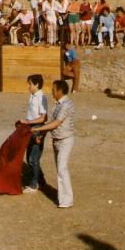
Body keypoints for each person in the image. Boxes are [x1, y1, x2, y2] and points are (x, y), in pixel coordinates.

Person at [31, 80, 75, 209]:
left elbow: (56, 123)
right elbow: (52, 122)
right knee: (60, 169)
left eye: (54, 90)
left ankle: (67, 200)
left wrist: (38, 129)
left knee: (62, 169)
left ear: (60, 91)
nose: (52, 92)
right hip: (57, 139)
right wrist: (42, 134)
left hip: (65, 140)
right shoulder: (57, 104)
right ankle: (63, 198)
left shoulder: (66, 105)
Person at [20, 74, 48, 193]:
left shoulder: (41, 97)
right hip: (31, 127)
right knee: (30, 157)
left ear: (36, 84)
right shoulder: (32, 96)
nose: (29, 86)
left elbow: (43, 118)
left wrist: (28, 122)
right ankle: (40, 181)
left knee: (33, 158)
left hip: (37, 129)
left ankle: (34, 184)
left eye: (30, 84)